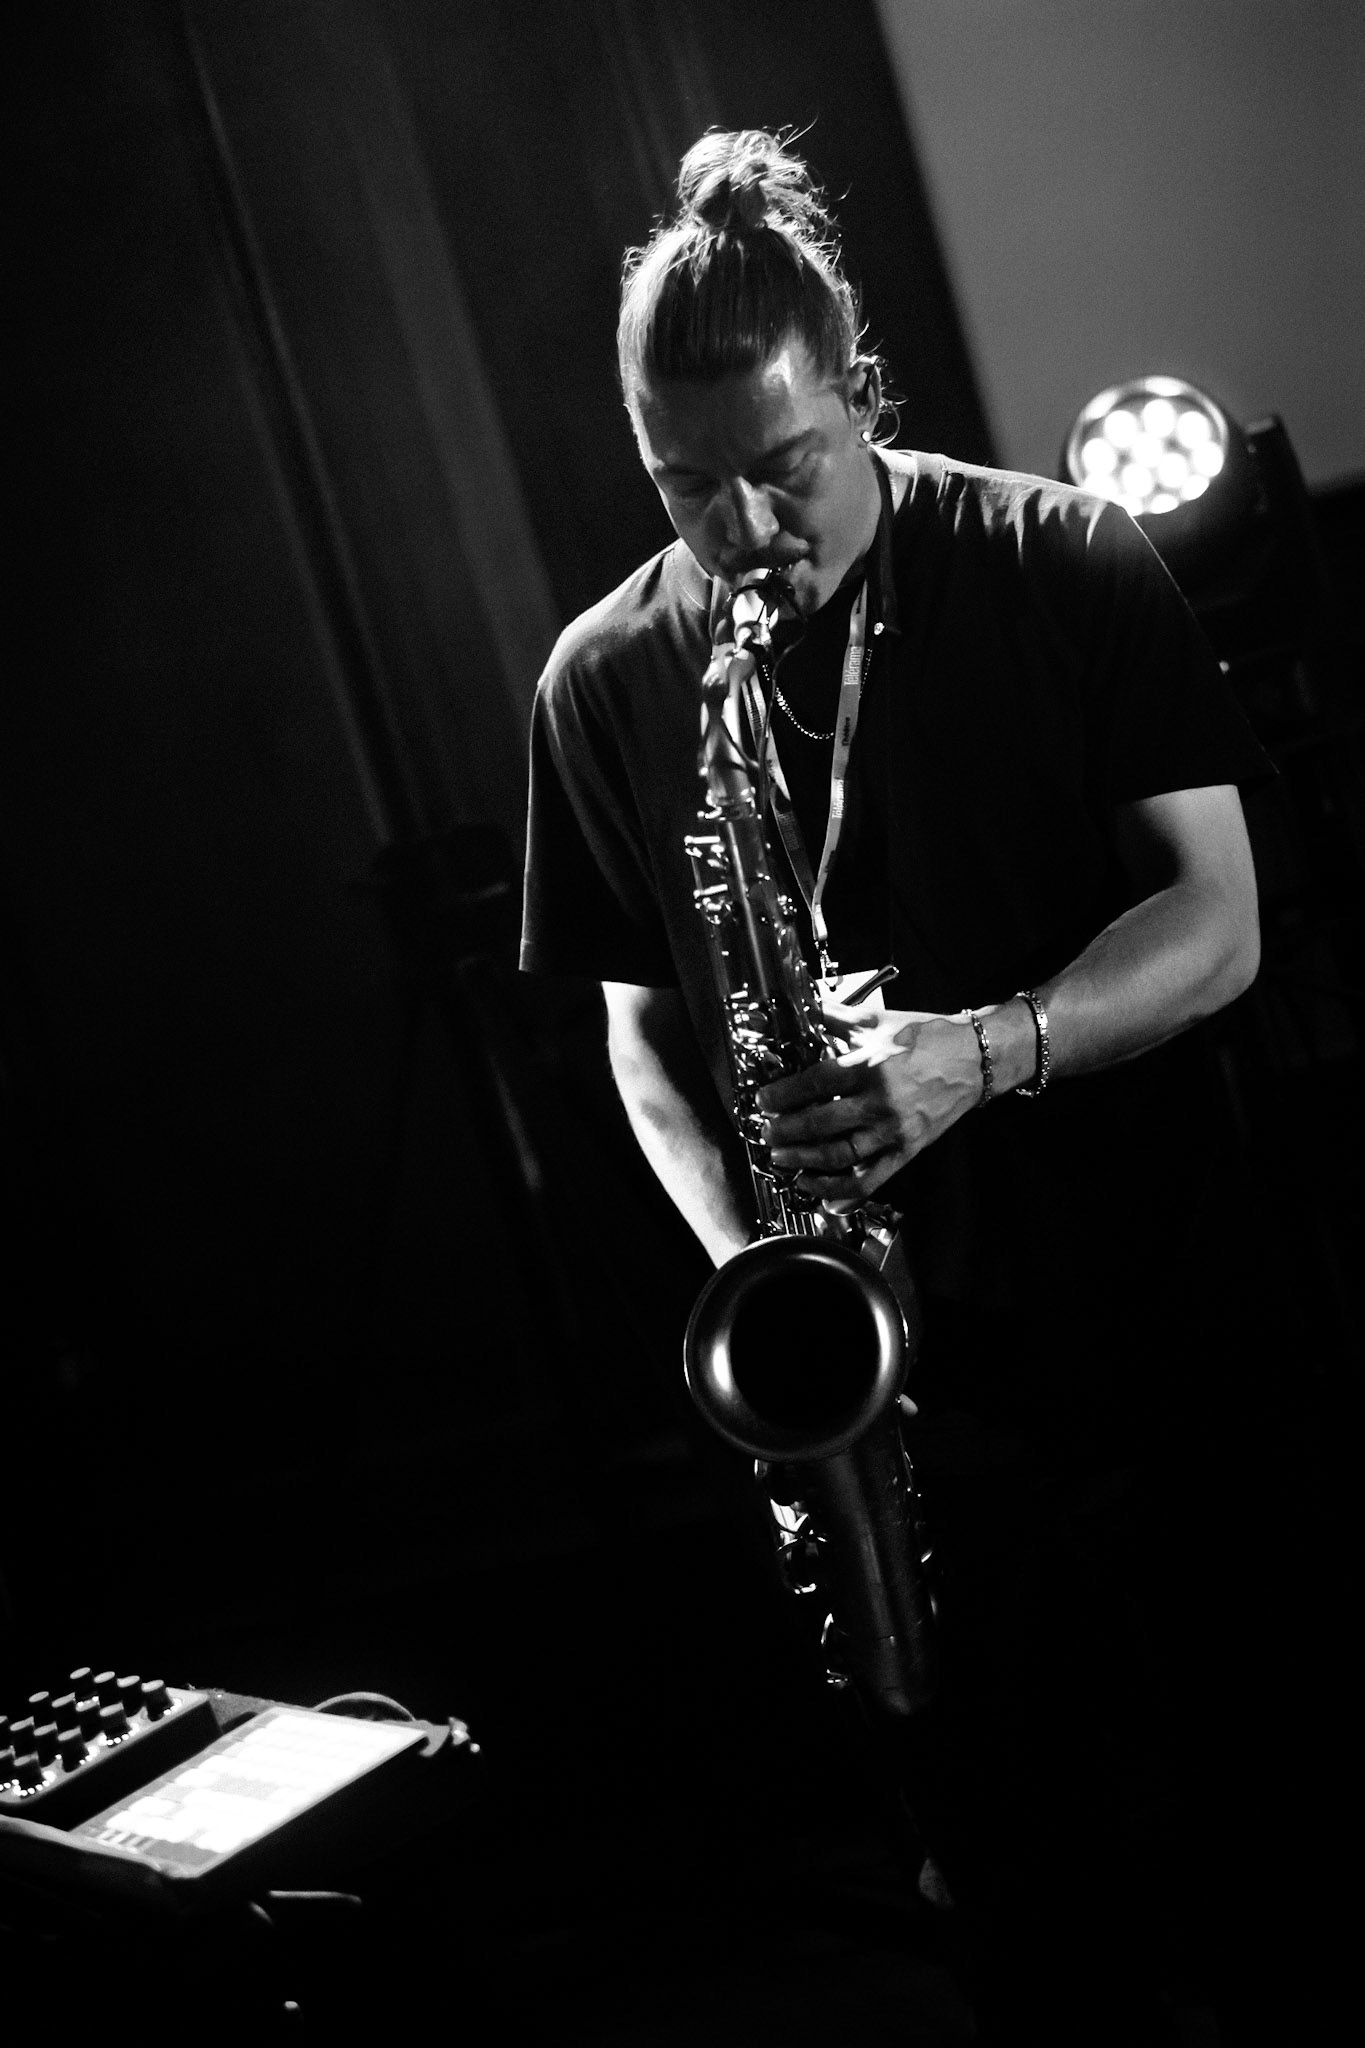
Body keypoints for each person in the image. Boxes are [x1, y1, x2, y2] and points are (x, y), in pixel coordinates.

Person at [521, 127, 1271, 2044]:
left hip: (1162, 1326)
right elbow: (639, 1037)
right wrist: (775, 1274)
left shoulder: (1057, 552)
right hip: (909, 1402)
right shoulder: (602, 683)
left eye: (781, 472)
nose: (741, 536)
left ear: (859, 395)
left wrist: (981, 1051)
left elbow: (1218, 920)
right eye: (684, 489)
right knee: (1028, 1932)